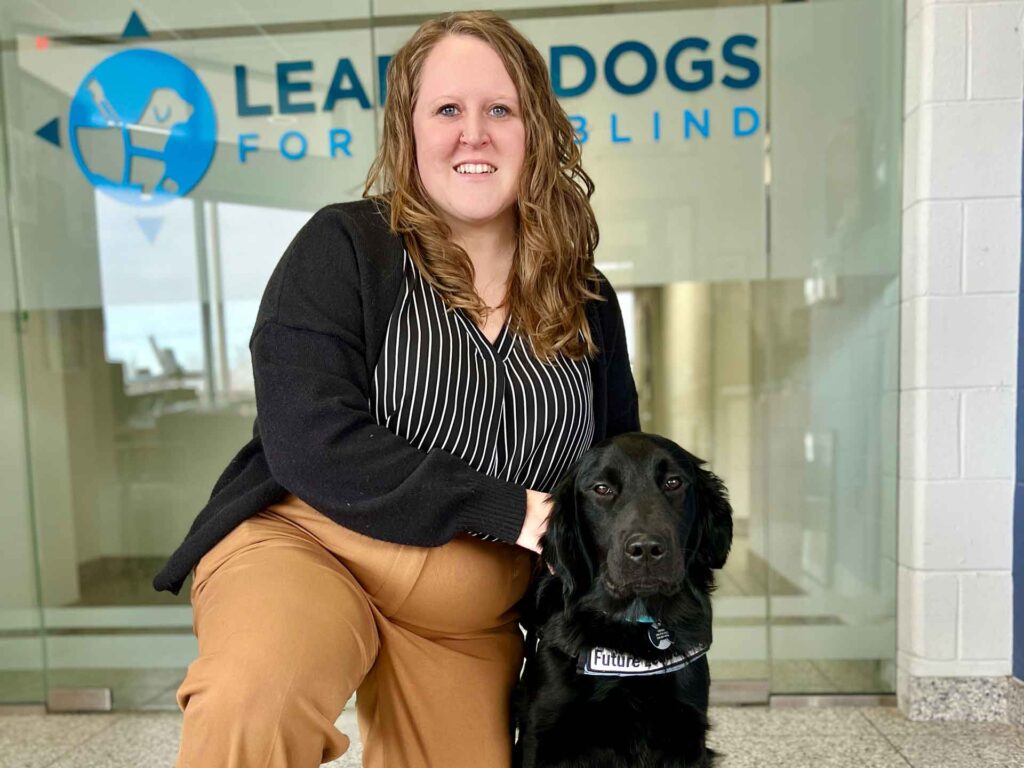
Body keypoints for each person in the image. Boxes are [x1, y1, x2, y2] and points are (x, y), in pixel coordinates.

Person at [157, 10, 639, 767]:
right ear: (409, 132)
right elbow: (307, 438)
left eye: (499, 109)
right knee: (256, 697)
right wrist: (503, 508)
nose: (472, 132)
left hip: (465, 614)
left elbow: (617, 465)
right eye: (447, 109)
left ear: (535, 129)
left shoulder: (588, 298)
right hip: (311, 547)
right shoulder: (345, 247)